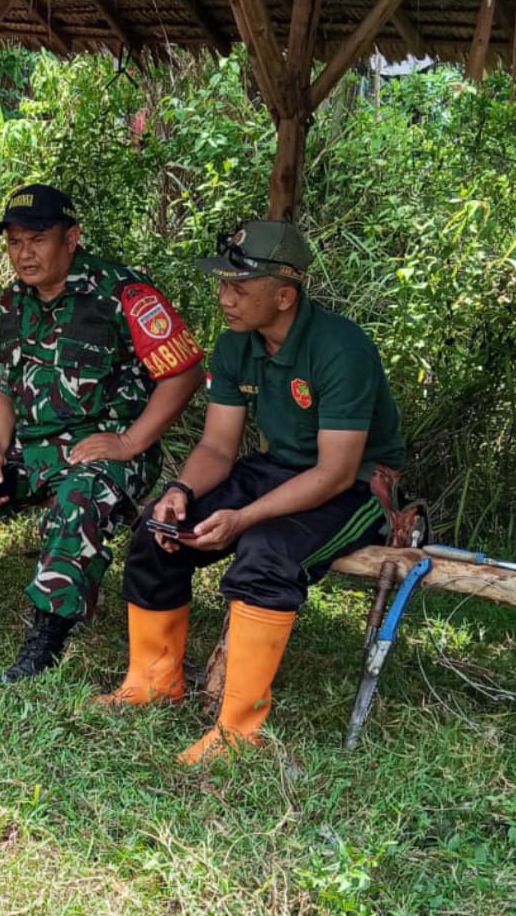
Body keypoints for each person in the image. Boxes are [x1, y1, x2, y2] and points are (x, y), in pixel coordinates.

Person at [106, 219, 405, 763]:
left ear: (285, 295)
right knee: (159, 528)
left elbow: (336, 473)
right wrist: (178, 491)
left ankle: (238, 733)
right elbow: (219, 448)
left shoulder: (342, 349)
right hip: (279, 468)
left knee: (265, 553)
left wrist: (243, 520)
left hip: (358, 489)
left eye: (239, 288)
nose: (224, 298)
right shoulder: (236, 344)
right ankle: (152, 683)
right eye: (222, 285)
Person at [0, 182, 204, 681]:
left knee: (80, 498)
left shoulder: (123, 293)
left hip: (103, 448)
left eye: (37, 239)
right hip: (29, 445)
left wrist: (130, 442)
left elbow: (184, 371)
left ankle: (45, 641)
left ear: (72, 238)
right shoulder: (13, 301)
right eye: (14, 242)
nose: (24, 253)